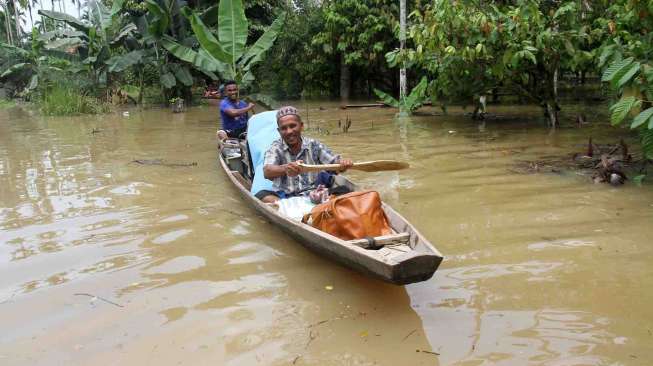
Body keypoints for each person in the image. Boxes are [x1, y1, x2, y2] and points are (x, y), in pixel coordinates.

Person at [256, 106, 353, 203]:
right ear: (279, 131)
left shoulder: (314, 145)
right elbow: (267, 171)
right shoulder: (275, 148)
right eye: (284, 128)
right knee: (261, 195)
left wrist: (343, 164)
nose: (289, 131)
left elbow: (334, 164)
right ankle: (289, 207)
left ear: (301, 126)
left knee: (345, 190)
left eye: (293, 126)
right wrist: (286, 168)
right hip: (286, 197)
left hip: (315, 194)